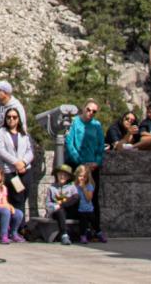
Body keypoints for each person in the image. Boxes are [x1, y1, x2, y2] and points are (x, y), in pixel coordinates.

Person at [65, 98, 106, 243]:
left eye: (94, 111)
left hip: (92, 166)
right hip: (78, 166)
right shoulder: (75, 122)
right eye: (88, 110)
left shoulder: (96, 125)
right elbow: (70, 143)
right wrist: (80, 162)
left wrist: (96, 162)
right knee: (76, 196)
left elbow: (101, 145)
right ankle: (78, 230)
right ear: (83, 108)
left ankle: (96, 229)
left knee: (92, 198)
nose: (90, 113)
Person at [0, 107, 33, 225]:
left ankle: (18, 225)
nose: (11, 119)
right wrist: (16, 163)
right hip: (10, 171)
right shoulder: (1, 133)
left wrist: (23, 163)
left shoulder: (24, 134)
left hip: (25, 170)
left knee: (23, 197)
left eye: (14, 117)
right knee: (17, 197)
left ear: (18, 119)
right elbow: (0, 152)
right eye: (9, 117)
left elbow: (30, 150)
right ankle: (19, 227)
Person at [45, 164, 80, 245]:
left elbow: (75, 198)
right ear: (56, 175)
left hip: (69, 210)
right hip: (57, 212)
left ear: (68, 177)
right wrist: (55, 206)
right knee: (60, 210)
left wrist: (62, 204)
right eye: (60, 174)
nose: (62, 176)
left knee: (76, 198)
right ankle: (64, 235)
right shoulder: (51, 188)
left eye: (65, 175)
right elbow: (47, 204)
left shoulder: (72, 187)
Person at [73, 164, 101, 243]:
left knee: (93, 219)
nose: (82, 178)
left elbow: (89, 199)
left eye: (84, 177)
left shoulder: (89, 186)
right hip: (79, 209)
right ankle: (83, 235)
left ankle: (99, 232)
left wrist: (84, 188)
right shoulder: (74, 186)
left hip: (89, 209)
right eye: (80, 176)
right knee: (83, 219)